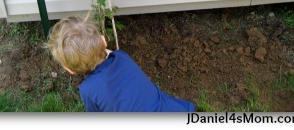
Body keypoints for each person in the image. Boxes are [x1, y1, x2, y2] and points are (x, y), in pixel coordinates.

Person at [44, 15, 196, 112]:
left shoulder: (88, 90)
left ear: (70, 70)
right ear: (103, 41)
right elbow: (109, 53)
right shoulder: (122, 57)